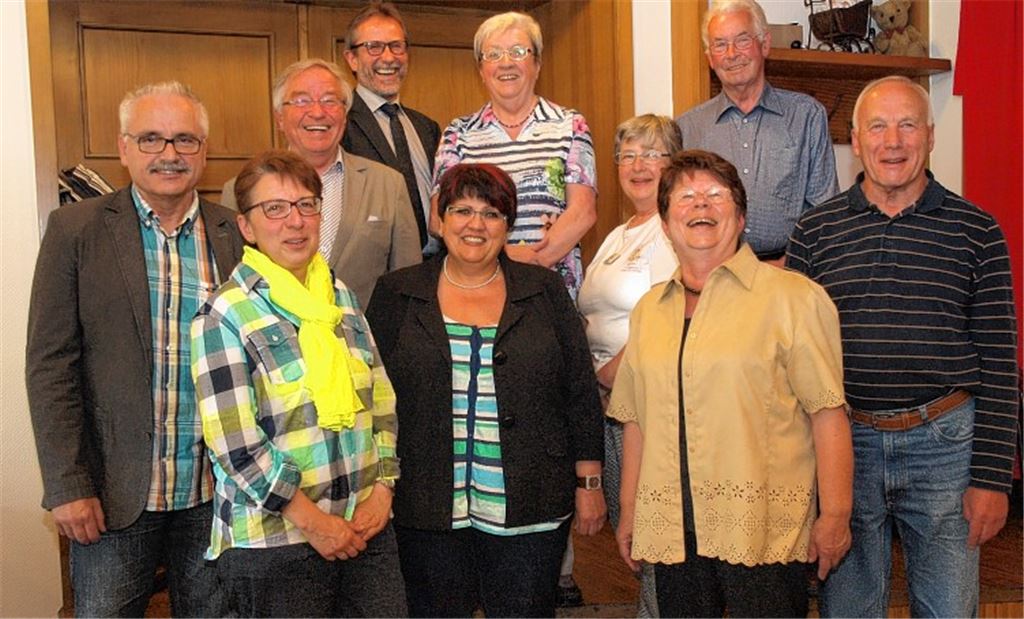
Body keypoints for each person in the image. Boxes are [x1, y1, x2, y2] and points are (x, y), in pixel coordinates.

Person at [787, 75, 1020, 618]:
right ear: (855, 139)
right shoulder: (814, 232)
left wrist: (991, 478)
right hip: (845, 447)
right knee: (848, 608)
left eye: (908, 125)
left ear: (931, 136)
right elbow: (789, 364)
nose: (893, 141)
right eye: (878, 126)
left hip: (947, 447)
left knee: (947, 609)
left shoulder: (977, 230)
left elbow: (1001, 363)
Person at [26, 81, 243, 616]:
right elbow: (51, 365)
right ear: (124, 148)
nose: (169, 154)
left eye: (184, 140)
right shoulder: (75, 229)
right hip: (113, 495)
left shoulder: (234, 232)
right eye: (151, 139)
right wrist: (67, 484)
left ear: (204, 150)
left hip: (214, 494)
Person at [610, 149, 853, 617]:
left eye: (715, 195)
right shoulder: (648, 312)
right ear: (663, 223)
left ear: (740, 218)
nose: (700, 205)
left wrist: (836, 514)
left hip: (762, 530)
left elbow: (827, 413)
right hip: (675, 531)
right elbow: (636, 420)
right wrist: (630, 510)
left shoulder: (794, 298)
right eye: (685, 197)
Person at [365, 163, 606, 617]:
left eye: (491, 214)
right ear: (440, 220)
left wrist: (589, 483)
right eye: (461, 210)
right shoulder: (397, 292)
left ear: (508, 225)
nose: (475, 224)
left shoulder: (543, 289)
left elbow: (578, 390)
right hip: (427, 505)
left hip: (530, 504)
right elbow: (374, 399)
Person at [191, 150, 407, 617]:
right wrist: (316, 523)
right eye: (275, 208)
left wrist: (383, 488)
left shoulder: (340, 296)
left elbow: (381, 400)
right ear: (246, 226)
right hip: (276, 544)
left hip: (366, 528)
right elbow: (236, 446)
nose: (295, 221)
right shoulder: (224, 314)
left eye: (307, 205)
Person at [577, 114, 682, 618]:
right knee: (634, 534)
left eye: (653, 154)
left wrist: (606, 372)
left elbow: (674, 318)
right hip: (613, 407)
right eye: (628, 155)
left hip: (647, 408)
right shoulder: (621, 233)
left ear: (674, 163)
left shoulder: (673, 229)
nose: (638, 165)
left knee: (654, 535)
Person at [221, 58, 420, 308]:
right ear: (280, 118)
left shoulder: (388, 185)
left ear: (345, 115)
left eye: (329, 101)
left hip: (362, 341)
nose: (317, 112)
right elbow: (235, 277)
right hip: (271, 340)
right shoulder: (239, 190)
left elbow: (407, 284)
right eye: (302, 100)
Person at [430, 11, 597, 302]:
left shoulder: (570, 124)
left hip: (552, 289)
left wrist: (531, 263)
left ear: (537, 63)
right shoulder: (458, 133)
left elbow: (583, 212)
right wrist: (503, 257)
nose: (505, 62)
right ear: (481, 70)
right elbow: (438, 217)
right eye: (493, 54)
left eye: (518, 51)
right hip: (478, 290)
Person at [676, 0, 838, 265]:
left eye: (742, 40)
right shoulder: (688, 128)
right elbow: (678, 215)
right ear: (709, 58)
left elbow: (824, 215)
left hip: (788, 275)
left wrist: (782, 269)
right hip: (713, 277)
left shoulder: (806, 116)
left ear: (764, 45)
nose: (731, 53)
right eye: (719, 44)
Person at [342, 1, 442, 257]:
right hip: (375, 271)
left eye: (396, 46)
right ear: (352, 59)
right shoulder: (340, 126)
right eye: (373, 47)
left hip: (435, 267)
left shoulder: (427, 128)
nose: (388, 57)